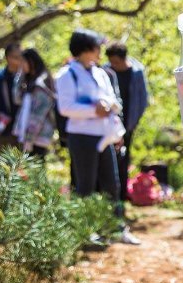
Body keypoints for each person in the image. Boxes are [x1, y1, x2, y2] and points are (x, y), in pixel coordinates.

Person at [55, 29, 141, 245]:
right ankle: (86, 232)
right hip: (82, 136)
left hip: (105, 136)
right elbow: (65, 107)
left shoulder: (101, 73)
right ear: (85, 49)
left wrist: (113, 112)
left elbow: (112, 99)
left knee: (112, 184)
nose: (100, 51)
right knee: (85, 186)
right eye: (96, 46)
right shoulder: (67, 75)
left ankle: (115, 228)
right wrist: (94, 110)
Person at [103, 42, 150, 200]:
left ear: (123, 59)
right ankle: (107, 196)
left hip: (128, 124)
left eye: (116, 62)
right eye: (111, 62)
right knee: (107, 161)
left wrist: (132, 124)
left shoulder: (136, 72)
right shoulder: (106, 71)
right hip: (108, 124)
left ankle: (122, 196)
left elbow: (143, 100)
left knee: (123, 161)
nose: (113, 65)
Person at [11, 48, 57, 157]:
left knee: (35, 171)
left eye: (23, 62)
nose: (21, 65)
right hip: (26, 136)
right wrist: (20, 75)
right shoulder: (28, 81)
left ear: (31, 61)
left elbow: (38, 116)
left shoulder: (42, 83)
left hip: (37, 138)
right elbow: (17, 98)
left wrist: (29, 140)